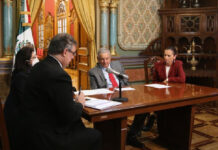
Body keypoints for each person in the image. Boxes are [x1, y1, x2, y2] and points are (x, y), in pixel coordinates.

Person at [17, 33, 102, 150]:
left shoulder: (39, 66)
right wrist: (80, 104)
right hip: (47, 137)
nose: (73, 57)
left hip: (31, 130)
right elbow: (69, 115)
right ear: (65, 52)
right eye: (73, 53)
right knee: (95, 135)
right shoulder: (59, 74)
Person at [89, 48, 149, 150]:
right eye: (102, 59)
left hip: (124, 93)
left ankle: (132, 135)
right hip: (108, 98)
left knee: (144, 107)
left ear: (110, 58)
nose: (105, 62)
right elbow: (96, 91)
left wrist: (128, 92)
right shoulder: (93, 72)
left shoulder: (117, 65)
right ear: (98, 59)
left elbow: (126, 80)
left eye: (107, 58)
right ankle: (116, 138)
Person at [142, 46, 186, 132]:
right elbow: (155, 80)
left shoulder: (178, 64)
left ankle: (156, 118)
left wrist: (169, 79)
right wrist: (158, 87)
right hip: (160, 91)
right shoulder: (158, 65)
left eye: (169, 55)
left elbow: (182, 79)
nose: (166, 57)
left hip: (174, 92)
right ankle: (156, 120)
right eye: (165, 55)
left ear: (174, 56)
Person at [4, 45, 38, 150]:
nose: (35, 60)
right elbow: (27, 101)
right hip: (17, 121)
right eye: (33, 57)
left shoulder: (25, 72)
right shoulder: (21, 77)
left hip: (21, 115)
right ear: (26, 61)